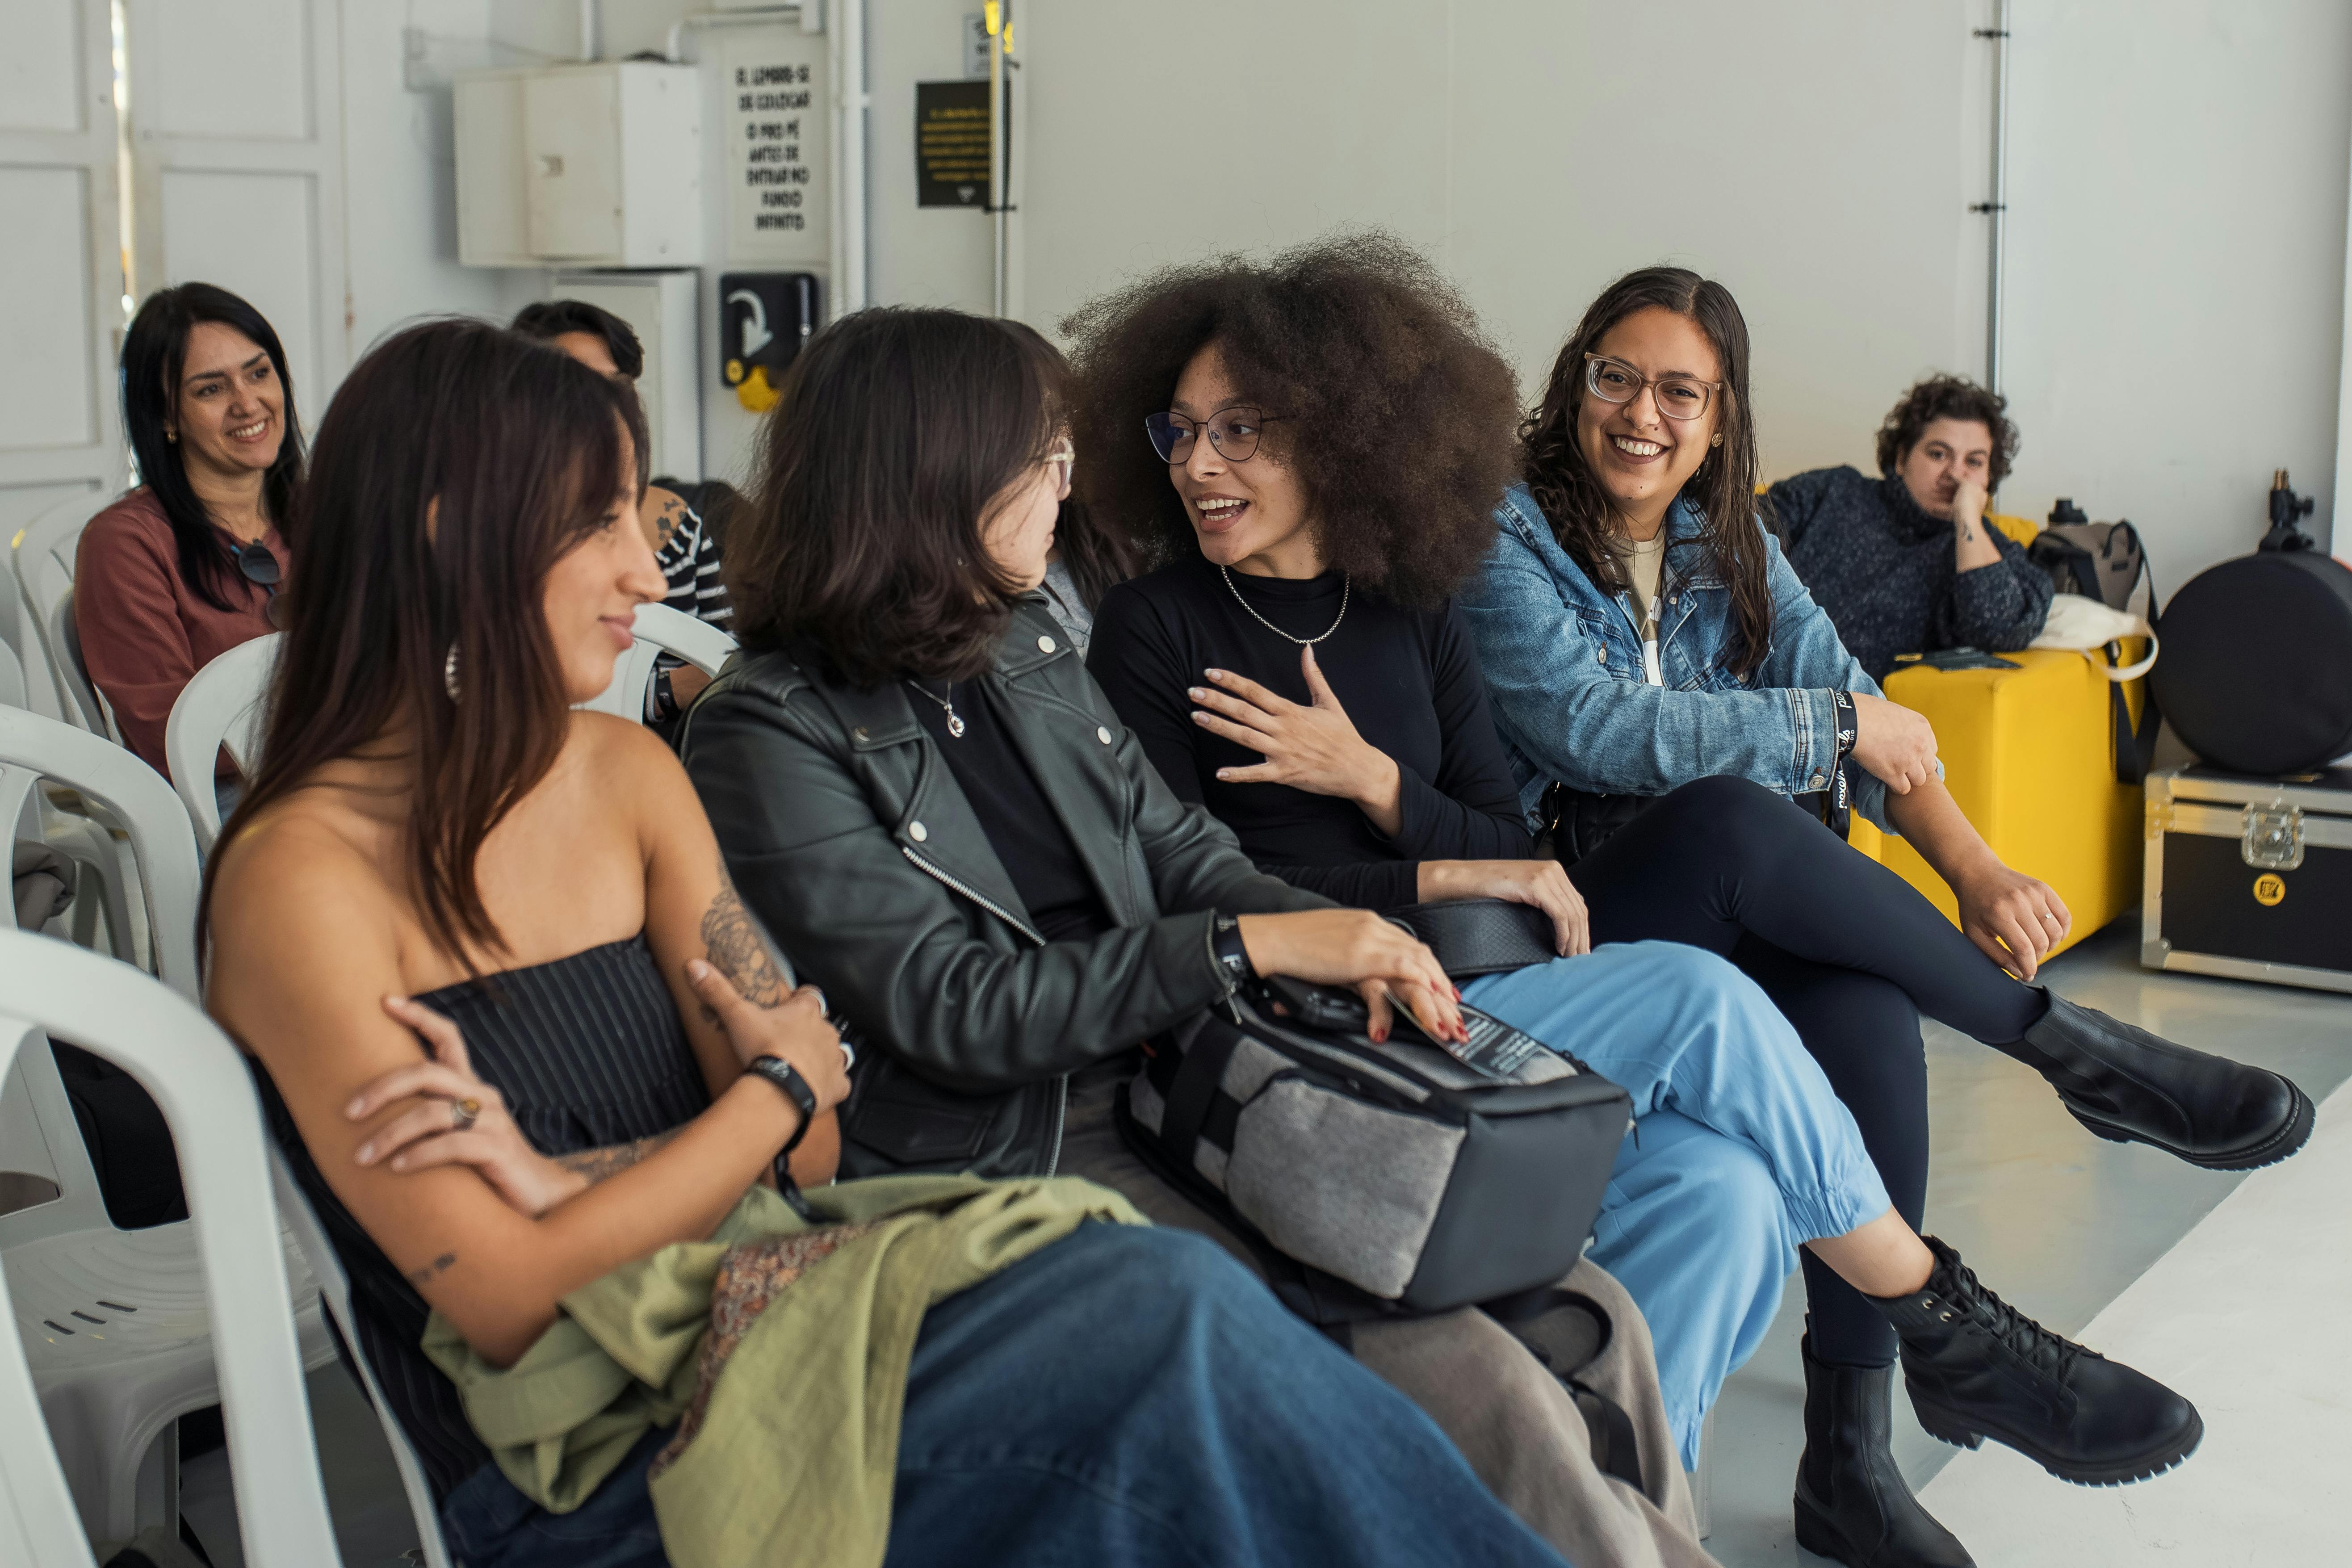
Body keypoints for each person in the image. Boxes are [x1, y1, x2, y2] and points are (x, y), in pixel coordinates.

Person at [203, 318, 1572, 1568]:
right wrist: (770, 1085)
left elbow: (801, 1149)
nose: (645, 566)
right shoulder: (298, 883)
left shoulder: (623, 779)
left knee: (1234, 1359)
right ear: (452, 535)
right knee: (1167, 1317)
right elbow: (511, 1300)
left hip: (791, 1291)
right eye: (596, 523)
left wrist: (609, 1166)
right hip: (605, 1457)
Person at [1069, 238, 2205, 1557]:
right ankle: (1949, 1311)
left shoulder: (1416, 608)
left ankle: (1630, 1521)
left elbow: (1499, 828)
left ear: (1340, 432)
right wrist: (1426, 864)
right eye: (1182, 431)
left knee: (1734, 1180)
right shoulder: (1157, 630)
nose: (1200, 464)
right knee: (1706, 995)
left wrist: (1382, 786)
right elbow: (1202, 886)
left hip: (1490, 969)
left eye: (1241, 430)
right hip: (1318, 1014)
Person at [682, 304, 1714, 1568]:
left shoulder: (1024, 646)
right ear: (939, 475)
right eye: (1044, 461)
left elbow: (1182, 852)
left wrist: (1342, 930)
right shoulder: (766, 730)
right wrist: (1245, 951)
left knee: (1585, 1316)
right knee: (1471, 1375)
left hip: (1190, 1074)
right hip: (1020, 1145)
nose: (1072, 490)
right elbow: (951, 1006)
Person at [1460, 264, 2312, 1568]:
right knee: (1741, 813)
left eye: (1680, 390)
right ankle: (2073, 1054)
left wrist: (1976, 877)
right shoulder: (1501, 537)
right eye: (1615, 377)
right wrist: (1828, 725)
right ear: (1575, 379)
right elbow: (1592, 730)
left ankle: (1847, 1466)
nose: (1642, 414)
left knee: (1866, 1027)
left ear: (1720, 412)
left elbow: (1869, 715)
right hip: (1578, 911)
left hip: (1724, 897)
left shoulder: (1726, 540)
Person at [77, 283, 299, 797]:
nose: (248, 404)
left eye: (259, 373)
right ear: (166, 416)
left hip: (351, 773)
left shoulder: (327, 515)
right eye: (211, 389)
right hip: (227, 805)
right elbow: (170, 732)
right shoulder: (125, 544)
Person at [511, 299, 730, 725]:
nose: (648, 583)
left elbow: (725, 656)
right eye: (580, 386)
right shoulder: (501, 535)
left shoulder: (674, 518)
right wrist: (668, 691)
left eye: (617, 387)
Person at [1767, 375, 2052, 679]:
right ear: (1902, 458)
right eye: (1938, 454)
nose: (1955, 474)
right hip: (1744, 675)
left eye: (1974, 462)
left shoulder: (1992, 551)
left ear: (1989, 477)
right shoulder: (1832, 491)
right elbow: (1738, 531)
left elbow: (1997, 629)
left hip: (1850, 710)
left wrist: (1968, 518)